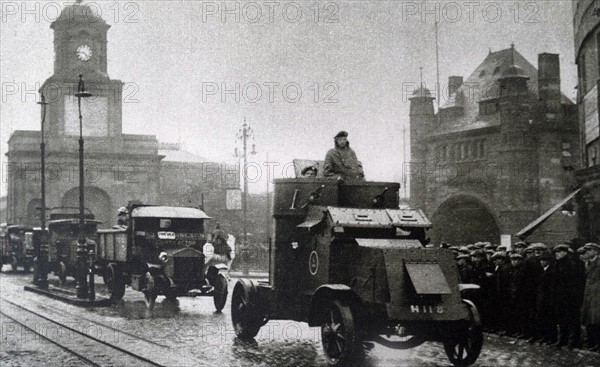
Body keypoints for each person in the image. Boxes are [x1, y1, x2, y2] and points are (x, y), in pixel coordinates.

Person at [552, 243, 583, 348]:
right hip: (560, 296)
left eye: (559, 252)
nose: (557, 254)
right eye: (556, 252)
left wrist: (573, 296)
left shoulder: (572, 264)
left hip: (570, 297)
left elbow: (575, 282)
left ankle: (573, 341)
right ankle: (562, 339)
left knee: (572, 319)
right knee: (561, 319)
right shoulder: (557, 264)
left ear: (565, 252)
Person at [581, 242, 600, 352]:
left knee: (596, 318)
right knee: (588, 317)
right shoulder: (587, 263)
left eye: (589, 250)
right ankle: (590, 340)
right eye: (586, 250)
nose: (586, 252)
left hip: (597, 292)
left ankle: (597, 342)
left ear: (595, 251)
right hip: (588, 292)